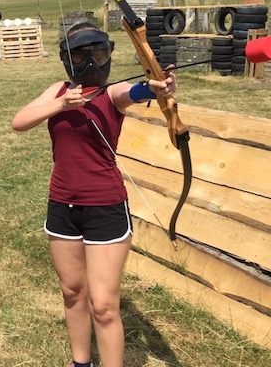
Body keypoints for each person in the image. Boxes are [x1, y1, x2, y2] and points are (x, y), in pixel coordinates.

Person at [11, 22, 177, 367]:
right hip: (62, 205)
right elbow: (19, 121)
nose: (90, 63)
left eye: (97, 54)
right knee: (73, 292)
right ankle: (80, 362)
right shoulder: (59, 90)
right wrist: (61, 105)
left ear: (108, 55)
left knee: (102, 305)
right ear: (66, 59)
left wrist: (156, 88)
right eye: (80, 55)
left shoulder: (112, 91)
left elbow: (136, 93)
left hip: (105, 206)